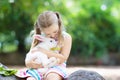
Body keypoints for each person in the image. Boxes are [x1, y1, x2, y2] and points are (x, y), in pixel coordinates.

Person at [16, 11, 72, 80]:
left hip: (56, 66)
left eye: (55, 31)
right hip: (38, 67)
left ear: (59, 24)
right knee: (31, 79)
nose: (52, 35)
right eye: (48, 34)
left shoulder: (65, 37)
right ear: (41, 30)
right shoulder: (38, 38)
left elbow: (63, 58)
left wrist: (44, 52)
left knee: (52, 77)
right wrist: (30, 63)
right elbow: (29, 57)